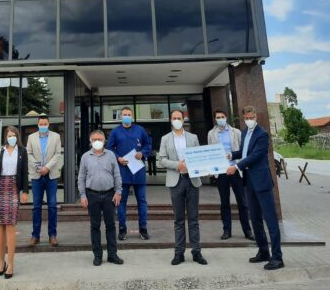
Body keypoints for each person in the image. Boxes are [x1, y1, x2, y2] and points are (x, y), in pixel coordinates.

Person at [227, 105, 284, 270]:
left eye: (251, 117)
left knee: (270, 220)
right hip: (249, 182)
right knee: (255, 219)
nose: (249, 120)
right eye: (246, 118)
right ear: (243, 118)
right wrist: (232, 155)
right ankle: (263, 251)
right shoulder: (245, 132)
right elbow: (245, 152)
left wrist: (236, 166)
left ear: (256, 116)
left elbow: (256, 155)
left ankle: (277, 257)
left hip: (262, 182)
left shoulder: (262, 134)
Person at [159, 110, 208, 266]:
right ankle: (179, 253)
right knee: (178, 220)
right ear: (170, 120)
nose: (177, 120)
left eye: (179, 118)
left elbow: (199, 157)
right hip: (176, 181)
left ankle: (196, 252)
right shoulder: (165, 138)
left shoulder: (193, 137)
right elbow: (161, 159)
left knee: (194, 219)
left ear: (183, 119)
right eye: (174, 118)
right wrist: (177, 165)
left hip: (192, 181)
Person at [78, 129, 124, 266]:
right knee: (95, 226)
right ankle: (97, 255)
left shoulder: (111, 155)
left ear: (105, 141)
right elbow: (81, 177)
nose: (97, 142)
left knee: (111, 225)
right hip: (92, 195)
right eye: (94, 139)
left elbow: (117, 174)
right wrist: (82, 195)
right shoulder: (85, 157)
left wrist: (118, 191)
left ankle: (112, 255)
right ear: (90, 141)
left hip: (109, 194)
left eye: (100, 139)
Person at [208, 109, 254, 241]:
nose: (220, 119)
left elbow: (242, 150)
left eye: (222, 116)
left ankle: (247, 230)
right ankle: (227, 230)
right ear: (215, 119)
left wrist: (240, 165)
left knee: (242, 202)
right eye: (218, 117)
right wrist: (211, 168)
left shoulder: (236, 132)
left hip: (235, 169)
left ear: (226, 117)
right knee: (224, 202)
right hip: (221, 171)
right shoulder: (211, 134)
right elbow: (210, 152)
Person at [0, 126, 28, 278]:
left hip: (13, 188)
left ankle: (11, 264)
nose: (11, 137)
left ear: (17, 136)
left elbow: (24, 172)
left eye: (14, 135)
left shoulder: (22, 152)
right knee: (0, 227)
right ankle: (1, 262)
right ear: (6, 137)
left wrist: (25, 191)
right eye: (9, 135)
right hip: (0, 188)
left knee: (10, 225)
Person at [106, 106, 152, 240]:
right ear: (121, 117)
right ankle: (122, 229)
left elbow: (148, 145)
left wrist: (142, 153)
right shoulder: (115, 132)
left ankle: (143, 228)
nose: (126, 117)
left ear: (132, 116)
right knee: (121, 202)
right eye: (124, 115)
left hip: (138, 171)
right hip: (122, 172)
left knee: (142, 201)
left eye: (129, 114)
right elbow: (109, 148)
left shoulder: (140, 130)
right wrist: (118, 158)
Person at [26, 114, 63, 247]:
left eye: (45, 124)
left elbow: (58, 154)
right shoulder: (31, 137)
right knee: (36, 206)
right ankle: (35, 236)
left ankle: (52, 235)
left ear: (48, 124)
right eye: (41, 124)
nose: (43, 126)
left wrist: (47, 167)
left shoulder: (56, 137)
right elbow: (29, 153)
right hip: (37, 176)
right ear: (38, 124)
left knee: (52, 205)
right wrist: (38, 167)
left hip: (51, 175)